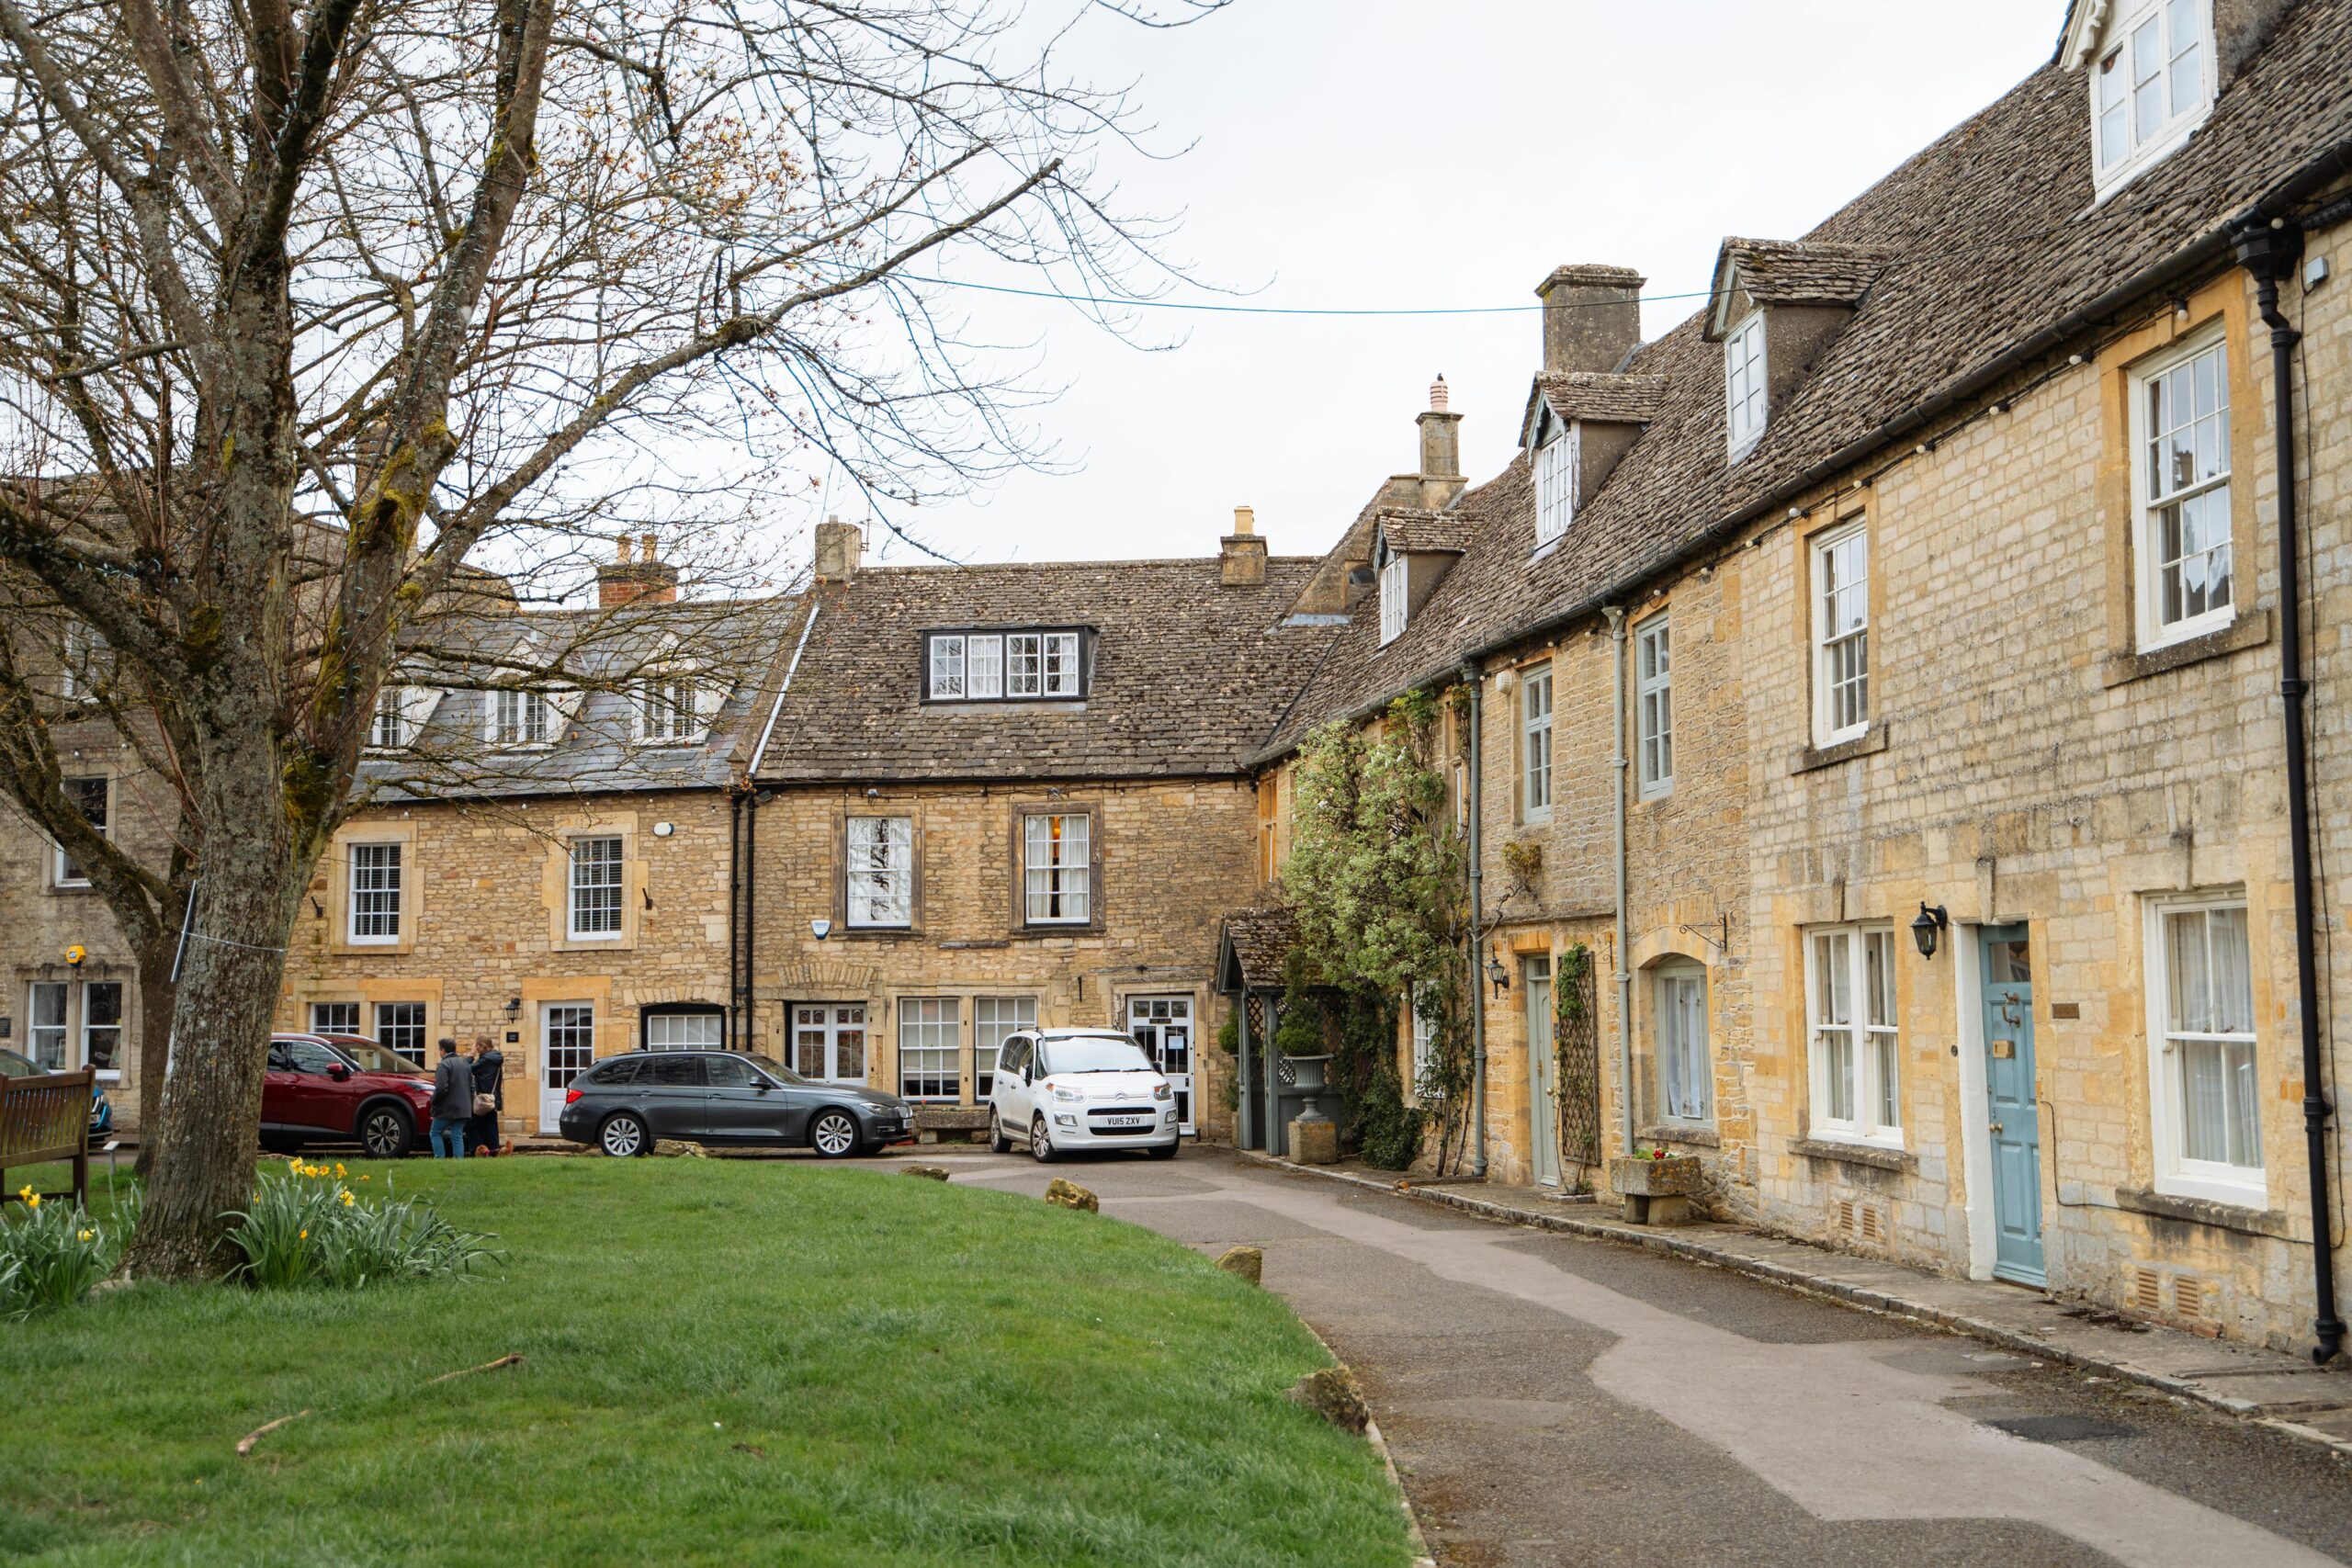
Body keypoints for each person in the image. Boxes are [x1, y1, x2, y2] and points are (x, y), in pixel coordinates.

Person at [429, 1037, 472, 1159]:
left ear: (443, 1050)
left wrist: (434, 1102)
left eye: (439, 1050)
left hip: (447, 1108)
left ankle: (439, 1159)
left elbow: (441, 1088)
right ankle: (458, 1160)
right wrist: (469, 1104)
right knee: (456, 1135)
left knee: (435, 1132)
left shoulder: (444, 1064)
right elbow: (472, 1087)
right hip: (464, 1108)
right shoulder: (465, 1064)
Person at [467, 1034, 510, 1156]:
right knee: (490, 1128)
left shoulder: (486, 1060)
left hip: (483, 1100)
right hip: (492, 1099)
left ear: (483, 1046)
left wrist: (471, 1055)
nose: (476, 1049)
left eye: (477, 1047)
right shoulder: (494, 1058)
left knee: (471, 1126)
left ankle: (477, 1152)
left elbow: (466, 1069)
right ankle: (493, 1152)